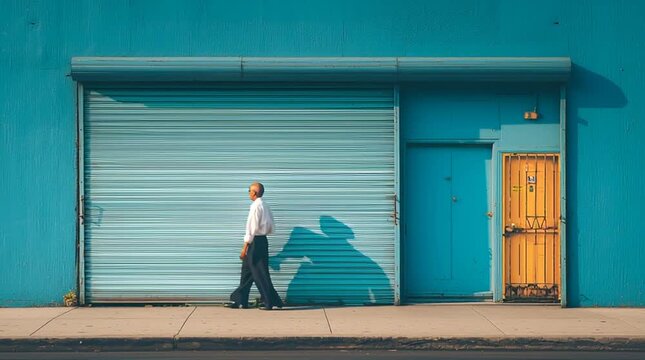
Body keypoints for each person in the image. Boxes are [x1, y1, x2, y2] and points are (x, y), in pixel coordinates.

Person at [227, 182, 284, 310]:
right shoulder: (265, 206)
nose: (248, 193)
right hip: (262, 241)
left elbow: (251, 229)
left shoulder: (255, 206)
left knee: (259, 274)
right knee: (247, 273)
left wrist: (244, 247)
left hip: (255, 243)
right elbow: (271, 227)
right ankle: (240, 300)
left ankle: (270, 301)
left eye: (249, 190)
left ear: (254, 192)